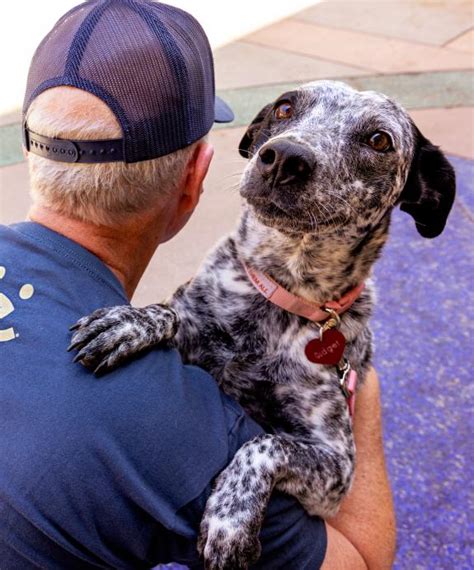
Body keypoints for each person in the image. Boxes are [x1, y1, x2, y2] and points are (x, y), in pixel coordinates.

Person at [0, 1, 396, 568]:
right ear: (194, 180)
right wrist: (364, 391)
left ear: (30, 145)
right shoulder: (184, 436)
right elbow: (365, 561)